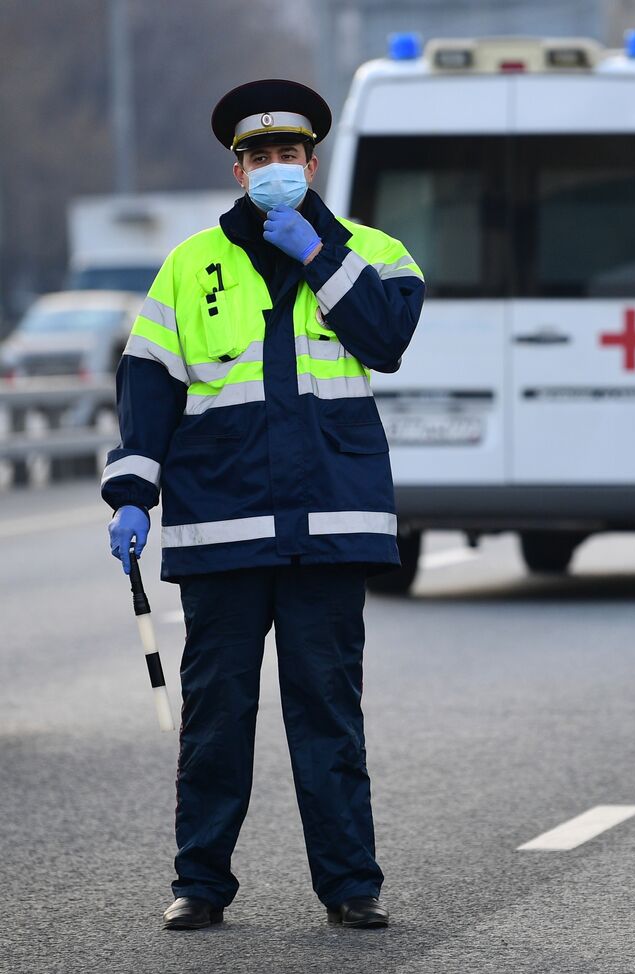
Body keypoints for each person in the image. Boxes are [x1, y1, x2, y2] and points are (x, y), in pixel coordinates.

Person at [101, 79, 424, 930]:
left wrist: (317, 253)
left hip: (330, 526)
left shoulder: (374, 251)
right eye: (258, 157)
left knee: (328, 719)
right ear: (236, 170)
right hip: (222, 526)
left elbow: (386, 341)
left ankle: (352, 887)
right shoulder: (189, 265)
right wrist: (133, 491)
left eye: (288, 155)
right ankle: (200, 884)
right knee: (215, 723)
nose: (275, 168)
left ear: (310, 164)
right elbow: (148, 385)